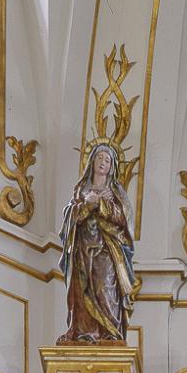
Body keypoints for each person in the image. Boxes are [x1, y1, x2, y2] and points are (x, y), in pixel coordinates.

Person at [59, 140, 135, 344]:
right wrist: (84, 206)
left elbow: (124, 219)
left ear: (112, 167)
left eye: (107, 160)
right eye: (99, 157)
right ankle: (85, 333)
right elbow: (70, 216)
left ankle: (110, 331)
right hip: (82, 247)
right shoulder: (80, 191)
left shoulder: (116, 192)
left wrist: (99, 204)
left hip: (106, 249)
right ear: (92, 161)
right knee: (82, 289)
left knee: (104, 286)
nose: (103, 162)